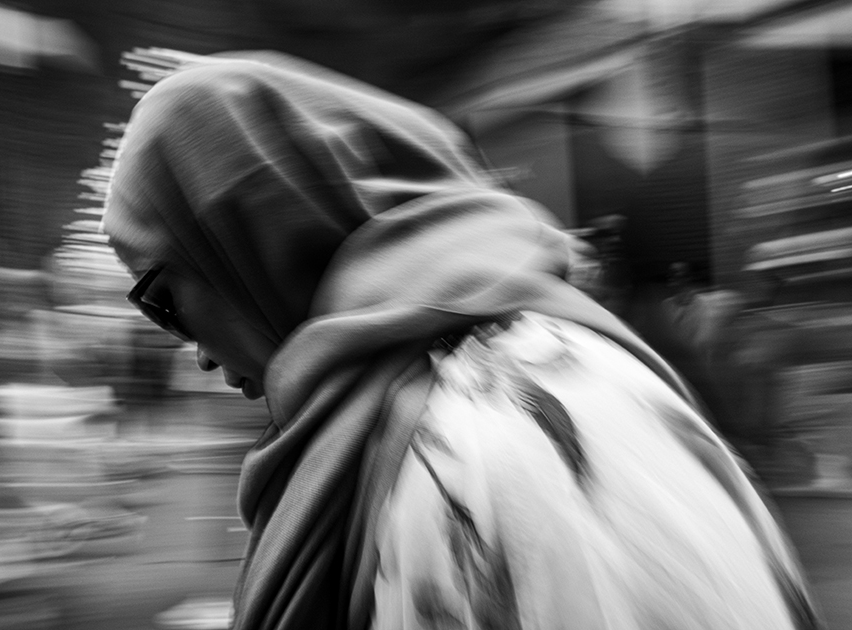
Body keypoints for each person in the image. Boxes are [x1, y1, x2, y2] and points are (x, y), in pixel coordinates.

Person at [104, 52, 820, 630]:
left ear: (249, 241)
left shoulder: (476, 437)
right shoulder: (495, 374)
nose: (196, 353)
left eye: (163, 300)